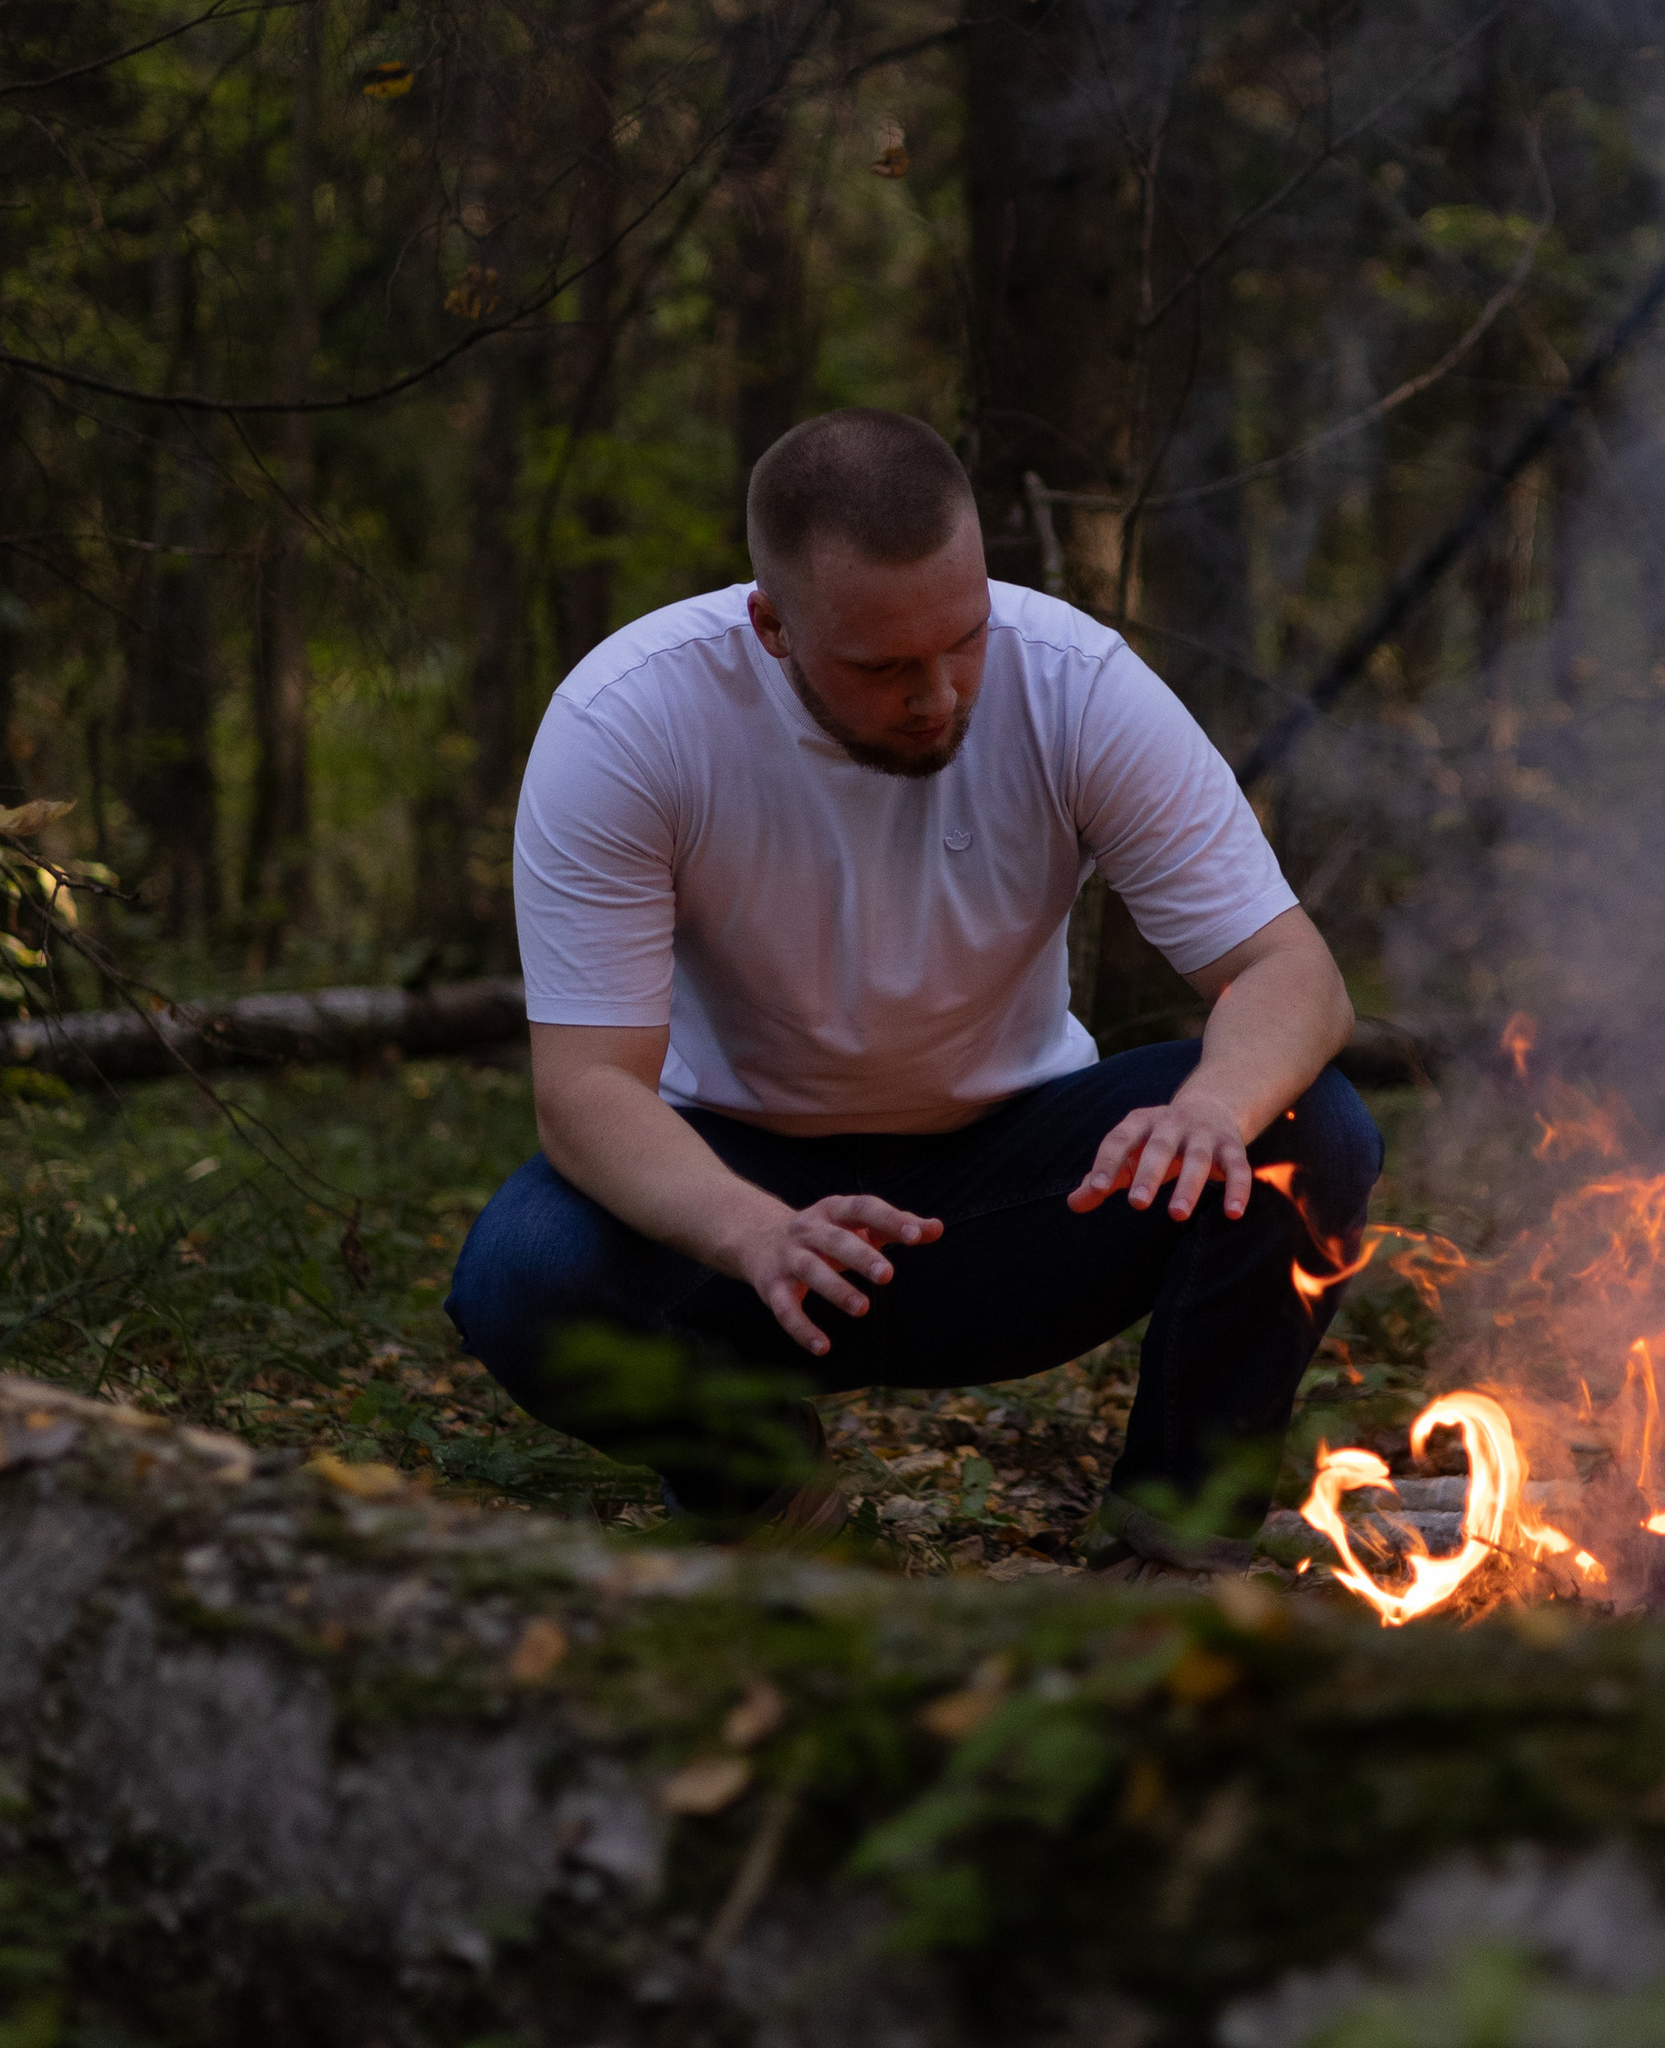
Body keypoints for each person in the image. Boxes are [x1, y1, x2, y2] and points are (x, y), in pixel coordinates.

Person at [446, 408, 1381, 1567]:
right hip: (736, 1200)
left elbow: (1290, 971)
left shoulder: (1074, 682)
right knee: (522, 1275)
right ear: (773, 627)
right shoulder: (630, 720)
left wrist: (1209, 1108)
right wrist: (752, 1232)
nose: (938, 693)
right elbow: (587, 1088)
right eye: (883, 665)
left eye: (963, 638)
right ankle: (765, 1488)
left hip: (1025, 1194)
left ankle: (1174, 1539)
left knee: (1308, 1126)